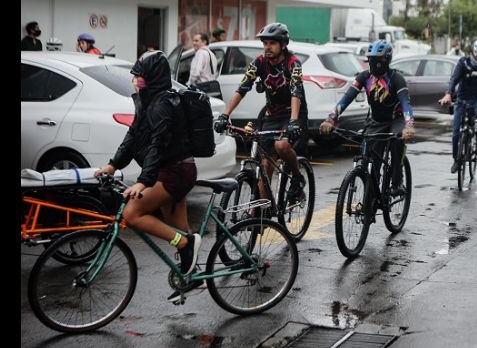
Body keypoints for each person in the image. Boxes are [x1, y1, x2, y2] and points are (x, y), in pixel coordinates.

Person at [94, 51, 201, 303]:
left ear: (152, 77)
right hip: (169, 169)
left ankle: (185, 244)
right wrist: (112, 164)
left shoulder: (163, 103)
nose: (135, 81)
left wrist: (144, 181)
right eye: (134, 76)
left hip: (176, 171)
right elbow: (134, 136)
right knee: (180, 232)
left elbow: (158, 143)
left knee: (132, 214)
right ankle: (192, 275)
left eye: (139, 77)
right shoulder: (147, 99)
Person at [214, 22, 307, 200]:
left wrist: (294, 121)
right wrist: (225, 115)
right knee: (264, 163)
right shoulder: (259, 62)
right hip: (272, 113)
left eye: (272, 43)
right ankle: (262, 211)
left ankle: (296, 177)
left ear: (283, 44)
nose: (267, 47)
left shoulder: (293, 63)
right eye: (265, 43)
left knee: (281, 145)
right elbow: (242, 88)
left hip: (294, 112)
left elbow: (296, 92)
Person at [319, 40, 415, 196]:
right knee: (370, 159)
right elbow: (346, 98)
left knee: (397, 141)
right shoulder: (364, 77)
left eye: (378, 60)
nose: (374, 63)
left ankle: (397, 182)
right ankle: (370, 202)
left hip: (395, 120)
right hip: (376, 121)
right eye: (370, 59)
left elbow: (405, 103)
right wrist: (331, 119)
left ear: (387, 60)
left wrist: (408, 125)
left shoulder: (396, 78)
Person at [439, 39, 477, 173]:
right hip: (463, 97)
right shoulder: (463, 63)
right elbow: (454, 79)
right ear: (471, 53)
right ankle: (456, 160)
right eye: (476, 57)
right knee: (455, 133)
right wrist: (448, 94)